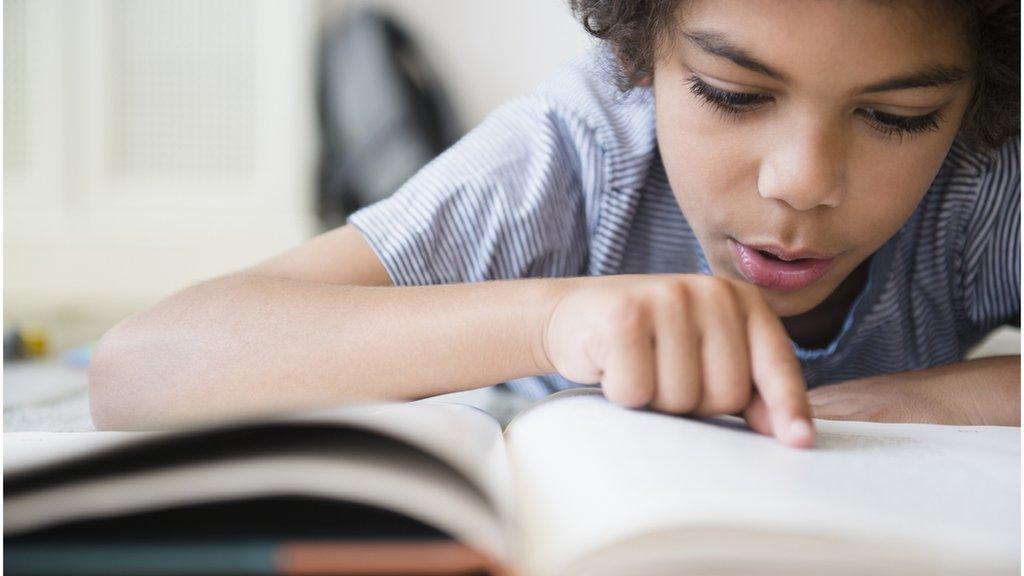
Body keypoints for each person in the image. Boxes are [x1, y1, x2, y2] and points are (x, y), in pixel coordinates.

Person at [89, 0, 1020, 448]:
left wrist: (958, 397)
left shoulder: (983, 170)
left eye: (897, 117)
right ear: (640, 52)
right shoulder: (579, 152)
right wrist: (552, 319)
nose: (804, 182)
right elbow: (141, 369)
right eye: (731, 94)